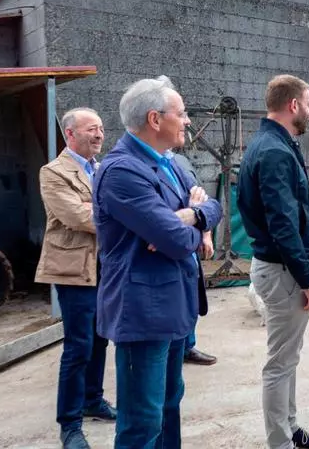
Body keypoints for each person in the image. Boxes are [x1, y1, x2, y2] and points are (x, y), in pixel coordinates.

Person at [94, 75, 223, 448]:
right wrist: (188, 226)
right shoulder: (121, 171)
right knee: (143, 420)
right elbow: (176, 241)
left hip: (174, 306)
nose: (187, 121)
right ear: (154, 119)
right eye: (181, 113)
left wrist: (193, 215)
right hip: (144, 313)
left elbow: (212, 206)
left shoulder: (170, 163)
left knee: (168, 405)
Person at [237, 74, 309, 449]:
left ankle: (291, 430)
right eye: (307, 104)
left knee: (287, 358)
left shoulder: (271, 143)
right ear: (293, 105)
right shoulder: (275, 151)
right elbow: (282, 225)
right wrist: (308, 279)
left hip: (280, 269)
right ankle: (281, 441)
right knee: (280, 363)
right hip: (283, 273)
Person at [36, 107, 114, 449]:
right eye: (91, 129)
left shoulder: (103, 168)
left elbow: (107, 209)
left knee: (100, 338)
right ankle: (69, 424)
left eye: (101, 129)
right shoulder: (54, 172)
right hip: (73, 270)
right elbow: (79, 216)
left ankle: (92, 400)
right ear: (70, 134)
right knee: (78, 346)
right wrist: (126, 215)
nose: (99, 135)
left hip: (104, 267)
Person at [171, 151, 218, 366]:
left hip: (189, 241)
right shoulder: (137, 165)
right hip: (170, 243)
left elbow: (204, 204)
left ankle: (187, 346)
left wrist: (206, 234)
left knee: (192, 296)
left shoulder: (180, 163)